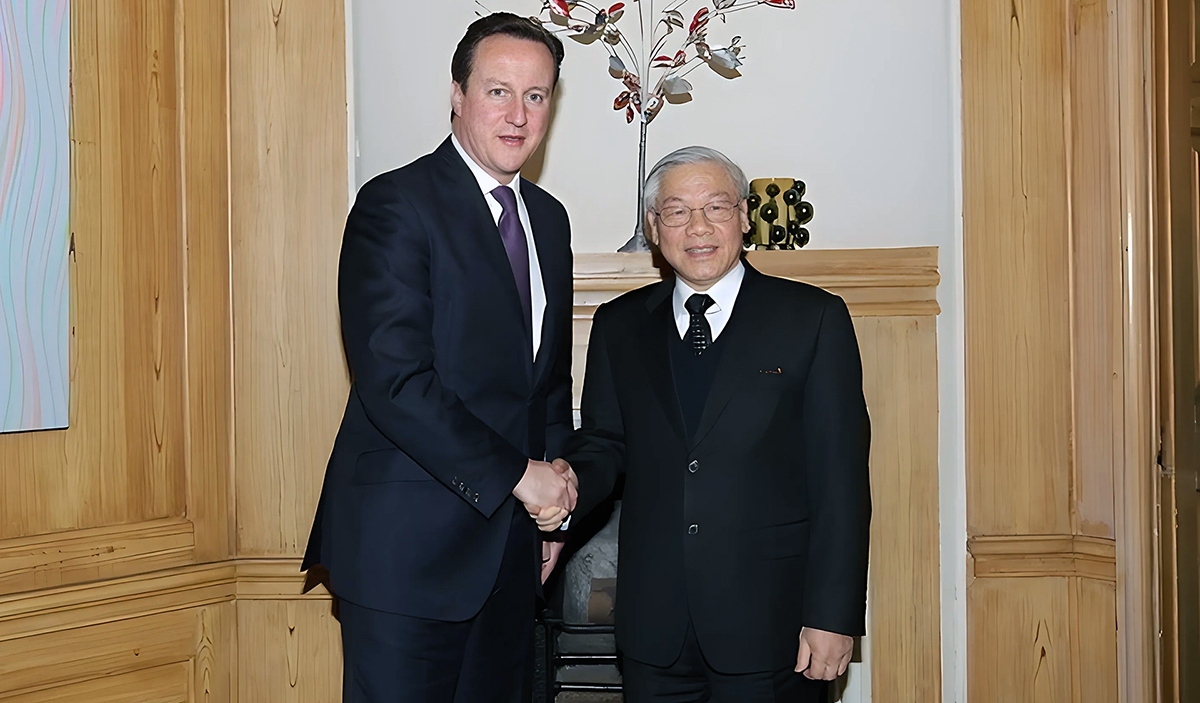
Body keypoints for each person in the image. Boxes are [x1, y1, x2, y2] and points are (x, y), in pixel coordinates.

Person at [302, 12, 578, 702]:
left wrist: (553, 510)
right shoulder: (395, 204)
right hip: (406, 558)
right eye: (497, 91)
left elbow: (542, 384)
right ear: (457, 95)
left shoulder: (548, 219)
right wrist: (523, 476)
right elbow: (396, 381)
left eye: (536, 95)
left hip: (511, 554)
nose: (518, 114)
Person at [545, 146, 872, 702]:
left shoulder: (812, 319)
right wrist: (566, 484)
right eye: (676, 211)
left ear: (744, 216)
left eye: (716, 208)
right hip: (653, 631)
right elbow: (605, 444)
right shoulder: (620, 326)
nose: (698, 227)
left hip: (774, 629)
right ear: (654, 228)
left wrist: (833, 616)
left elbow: (841, 480)